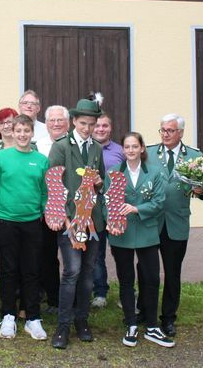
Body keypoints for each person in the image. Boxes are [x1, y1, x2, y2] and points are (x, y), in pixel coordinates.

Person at [0, 114, 49, 340]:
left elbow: (44, 194)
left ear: (32, 133)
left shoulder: (41, 160)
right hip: (5, 222)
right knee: (8, 270)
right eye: (18, 130)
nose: (22, 135)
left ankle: (33, 318)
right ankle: (8, 315)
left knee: (31, 271)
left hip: (32, 223)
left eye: (26, 131)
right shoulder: (1, 157)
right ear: (11, 131)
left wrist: (46, 214)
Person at [47, 97, 106, 350]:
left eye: (92, 124)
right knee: (71, 271)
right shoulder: (61, 146)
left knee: (87, 274)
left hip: (92, 220)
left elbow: (100, 182)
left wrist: (100, 184)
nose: (87, 129)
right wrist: (65, 219)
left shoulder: (97, 149)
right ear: (73, 121)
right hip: (70, 220)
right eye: (83, 123)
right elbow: (53, 185)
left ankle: (82, 320)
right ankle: (62, 326)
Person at [105, 132, 172, 348]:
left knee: (151, 278)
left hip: (147, 232)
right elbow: (106, 202)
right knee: (126, 280)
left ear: (142, 148)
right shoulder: (114, 172)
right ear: (123, 150)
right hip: (121, 234)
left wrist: (136, 208)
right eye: (127, 147)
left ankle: (152, 325)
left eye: (135, 146)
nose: (131, 150)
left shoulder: (154, 172)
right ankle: (131, 324)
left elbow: (160, 202)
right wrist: (110, 221)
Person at [149, 113, 203, 339]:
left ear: (180, 133)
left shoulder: (194, 156)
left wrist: (201, 190)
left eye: (170, 130)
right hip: (152, 222)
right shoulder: (150, 153)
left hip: (177, 222)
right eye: (162, 130)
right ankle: (146, 313)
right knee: (147, 271)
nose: (165, 134)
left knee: (172, 273)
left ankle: (168, 318)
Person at [36, 105, 70, 314]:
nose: (56, 124)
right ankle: (53, 298)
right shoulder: (38, 145)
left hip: (71, 208)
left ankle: (72, 299)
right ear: (46, 123)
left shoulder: (74, 145)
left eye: (60, 120)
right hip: (46, 208)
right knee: (47, 255)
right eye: (52, 120)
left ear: (67, 123)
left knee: (72, 256)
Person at [91, 112, 126, 308]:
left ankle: (126, 293)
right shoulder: (87, 150)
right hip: (93, 209)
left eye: (104, 126)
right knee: (96, 254)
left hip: (115, 209)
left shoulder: (121, 151)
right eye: (97, 126)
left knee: (121, 252)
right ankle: (100, 293)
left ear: (110, 128)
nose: (100, 129)